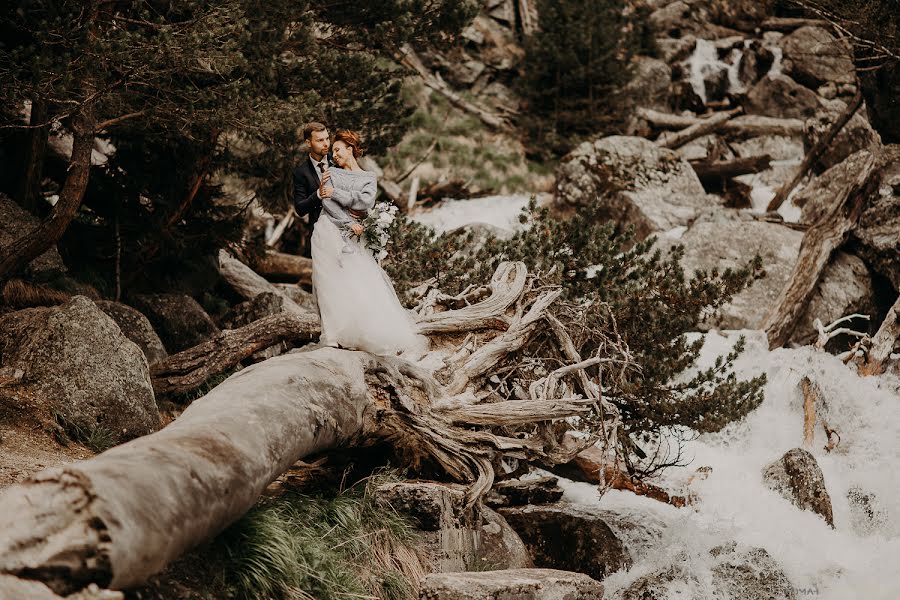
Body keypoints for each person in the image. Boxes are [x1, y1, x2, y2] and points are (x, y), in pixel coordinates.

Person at [311, 129, 428, 357]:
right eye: (332, 151)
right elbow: (327, 203)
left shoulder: (369, 177)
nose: (334, 155)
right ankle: (334, 336)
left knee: (358, 280)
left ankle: (363, 334)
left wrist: (337, 193)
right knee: (329, 282)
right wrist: (346, 219)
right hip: (328, 230)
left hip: (355, 235)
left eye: (337, 149)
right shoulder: (330, 172)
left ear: (350, 148)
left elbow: (365, 203)